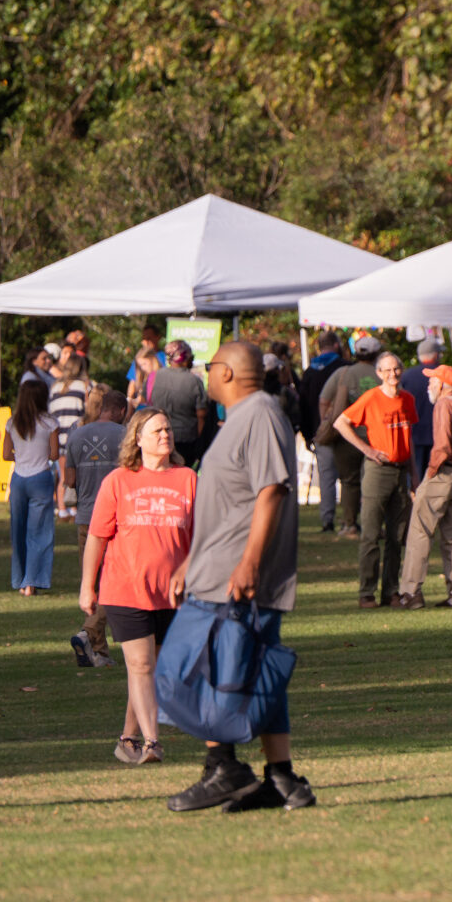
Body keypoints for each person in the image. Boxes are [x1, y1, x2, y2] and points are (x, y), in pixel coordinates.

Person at [166, 342, 314, 813]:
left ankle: (223, 767)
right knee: (256, 672)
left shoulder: (260, 413)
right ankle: (282, 778)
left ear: (227, 372)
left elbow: (271, 490)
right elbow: (231, 501)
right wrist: (193, 559)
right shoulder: (240, 419)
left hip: (237, 576)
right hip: (216, 567)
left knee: (199, 672)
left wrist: (249, 561)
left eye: (210, 368)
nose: (205, 375)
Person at [79, 407, 195, 766]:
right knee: (141, 666)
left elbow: (204, 536)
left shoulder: (188, 478)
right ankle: (152, 743)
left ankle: (126, 739)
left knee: (149, 670)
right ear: (138, 439)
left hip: (172, 593)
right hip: (125, 588)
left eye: (168, 430)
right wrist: (87, 586)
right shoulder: (118, 480)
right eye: (157, 430)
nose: (165, 435)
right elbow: (97, 538)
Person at [334, 352, 416, 610]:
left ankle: (391, 591)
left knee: (397, 535)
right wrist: (366, 449)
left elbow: (409, 438)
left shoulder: (407, 399)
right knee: (370, 534)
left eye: (396, 369)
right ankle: (366, 592)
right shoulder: (371, 398)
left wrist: (414, 474)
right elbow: (341, 423)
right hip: (378, 470)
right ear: (379, 373)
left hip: (400, 471)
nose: (393, 375)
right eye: (387, 370)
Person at [399, 363, 452, 609]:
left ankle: (410, 592)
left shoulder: (445, 404)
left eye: (432, 381)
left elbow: (441, 445)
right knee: (451, 535)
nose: (429, 385)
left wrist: (429, 475)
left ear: (443, 384)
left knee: (419, 532)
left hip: (444, 473)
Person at [64, 383, 130, 668]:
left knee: (92, 583)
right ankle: (89, 634)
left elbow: (69, 481)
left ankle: (99, 653)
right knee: (113, 584)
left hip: (85, 518)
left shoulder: (76, 435)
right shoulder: (126, 434)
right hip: (117, 518)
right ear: (122, 411)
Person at [317, 336, 383, 539]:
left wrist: (328, 424)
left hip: (347, 436)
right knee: (374, 482)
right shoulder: (382, 374)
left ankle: (349, 524)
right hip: (376, 436)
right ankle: (374, 525)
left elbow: (324, 400)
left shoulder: (343, 373)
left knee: (349, 482)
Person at [3, 377, 60, 597]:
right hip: (41, 478)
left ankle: (19, 579)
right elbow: (54, 454)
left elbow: (7, 454)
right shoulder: (50, 422)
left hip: (19, 478)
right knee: (40, 532)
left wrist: (23, 456)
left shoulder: (12, 422)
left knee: (18, 530)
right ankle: (32, 582)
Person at [296, 332, 345, 531]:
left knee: (326, 476)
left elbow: (303, 405)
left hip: (319, 431)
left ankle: (327, 519)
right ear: (335, 345)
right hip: (343, 429)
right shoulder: (343, 368)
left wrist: (308, 434)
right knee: (350, 476)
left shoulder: (310, 372)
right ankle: (350, 518)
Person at [150, 340, 213, 468]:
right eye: (191, 357)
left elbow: (148, 403)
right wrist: (200, 443)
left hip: (158, 436)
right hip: (186, 441)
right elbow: (201, 415)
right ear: (184, 357)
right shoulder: (194, 381)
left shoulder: (154, 377)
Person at [48, 352, 91, 517]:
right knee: (79, 474)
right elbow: (88, 412)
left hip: (59, 437)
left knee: (64, 475)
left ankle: (63, 509)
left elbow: (52, 413)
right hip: (78, 436)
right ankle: (76, 507)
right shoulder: (84, 386)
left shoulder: (55, 388)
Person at [402, 338, 443, 479]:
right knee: (437, 475)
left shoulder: (407, 376)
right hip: (438, 432)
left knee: (416, 474)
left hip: (415, 432)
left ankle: (418, 499)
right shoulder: (442, 375)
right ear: (435, 355)